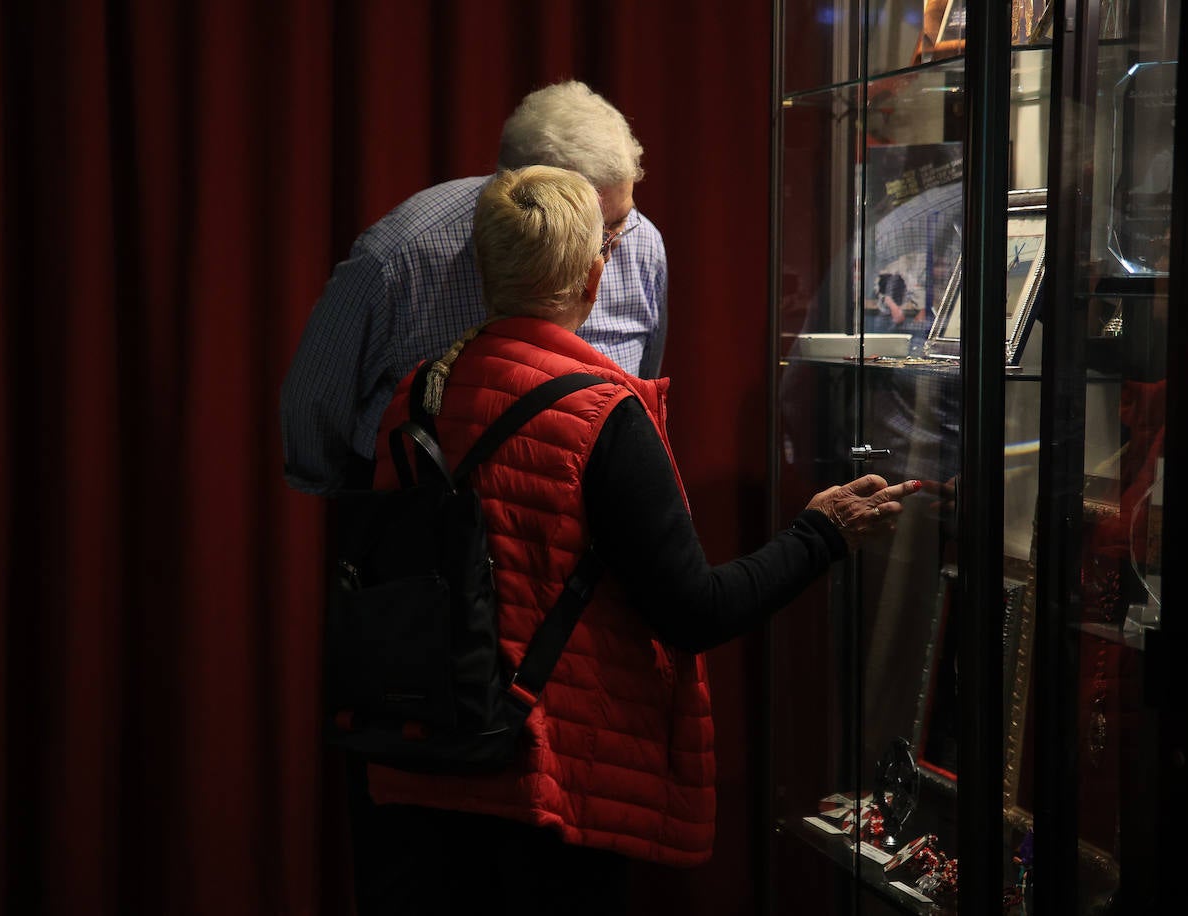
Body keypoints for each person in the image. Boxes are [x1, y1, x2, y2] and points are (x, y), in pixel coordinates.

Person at [350, 165, 921, 915]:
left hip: (415, 771)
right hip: (545, 790)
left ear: (485, 269)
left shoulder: (416, 393)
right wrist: (823, 532)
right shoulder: (601, 416)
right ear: (592, 279)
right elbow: (693, 611)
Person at [280, 80, 668, 494]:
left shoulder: (641, 243)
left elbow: (640, 398)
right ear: (519, 195)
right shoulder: (400, 257)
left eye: (620, 220)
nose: (606, 253)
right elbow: (314, 404)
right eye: (594, 228)